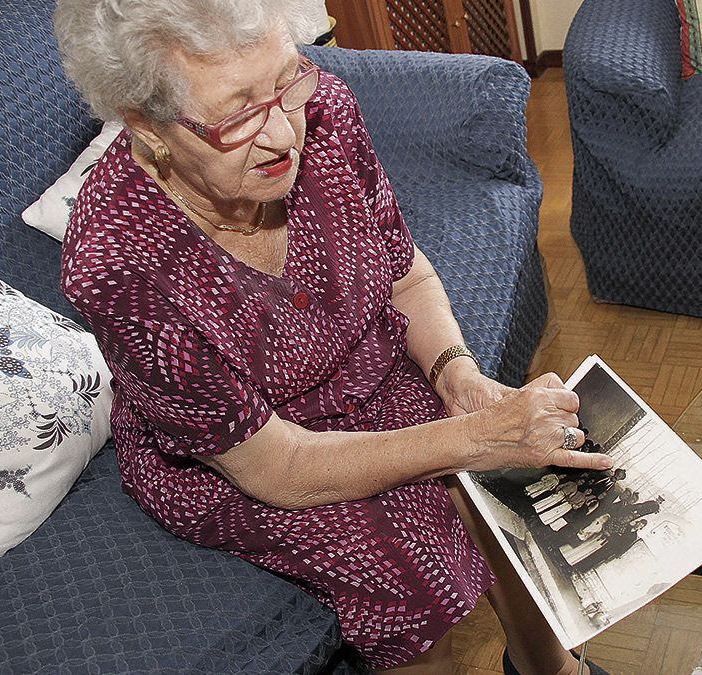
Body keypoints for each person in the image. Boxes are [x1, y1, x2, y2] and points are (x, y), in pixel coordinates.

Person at [52, 2, 612, 673]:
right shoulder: (119, 264)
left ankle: (549, 665)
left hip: (364, 368)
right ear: (147, 124)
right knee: (414, 576)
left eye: (286, 80)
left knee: (505, 488)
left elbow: (404, 274)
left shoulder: (324, 111)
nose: (284, 133)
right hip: (251, 453)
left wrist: (456, 373)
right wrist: (476, 437)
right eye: (237, 114)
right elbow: (276, 467)